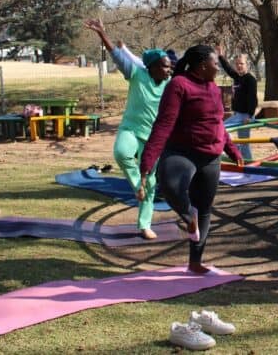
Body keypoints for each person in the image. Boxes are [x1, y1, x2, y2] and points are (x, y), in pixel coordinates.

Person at [140, 45, 243, 273]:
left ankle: (195, 262)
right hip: (182, 151)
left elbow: (218, 124)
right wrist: (147, 163)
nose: (218, 68)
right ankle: (189, 217)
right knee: (170, 185)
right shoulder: (179, 85)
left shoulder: (214, 89)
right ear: (202, 66)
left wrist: (232, 150)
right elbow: (164, 124)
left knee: (204, 208)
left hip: (210, 156)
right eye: (216, 64)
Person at [84, 18, 172, 240]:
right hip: (131, 129)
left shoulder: (171, 85)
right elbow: (116, 54)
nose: (168, 69)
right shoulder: (136, 73)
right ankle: (136, 186)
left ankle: (144, 225)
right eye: (164, 65)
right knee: (122, 153)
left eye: (169, 66)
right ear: (151, 67)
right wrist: (102, 33)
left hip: (154, 139)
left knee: (151, 182)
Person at [215, 45, 258, 161]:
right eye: (237, 64)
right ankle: (238, 151)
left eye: (242, 64)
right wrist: (220, 56)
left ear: (247, 65)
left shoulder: (250, 79)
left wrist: (250, 116)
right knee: (241, 141)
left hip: (245, 115)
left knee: (222, 130)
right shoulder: (237, 77)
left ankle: (248, 165)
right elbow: (228, 69)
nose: (239, 66)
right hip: (238, 114)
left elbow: (253, 99)